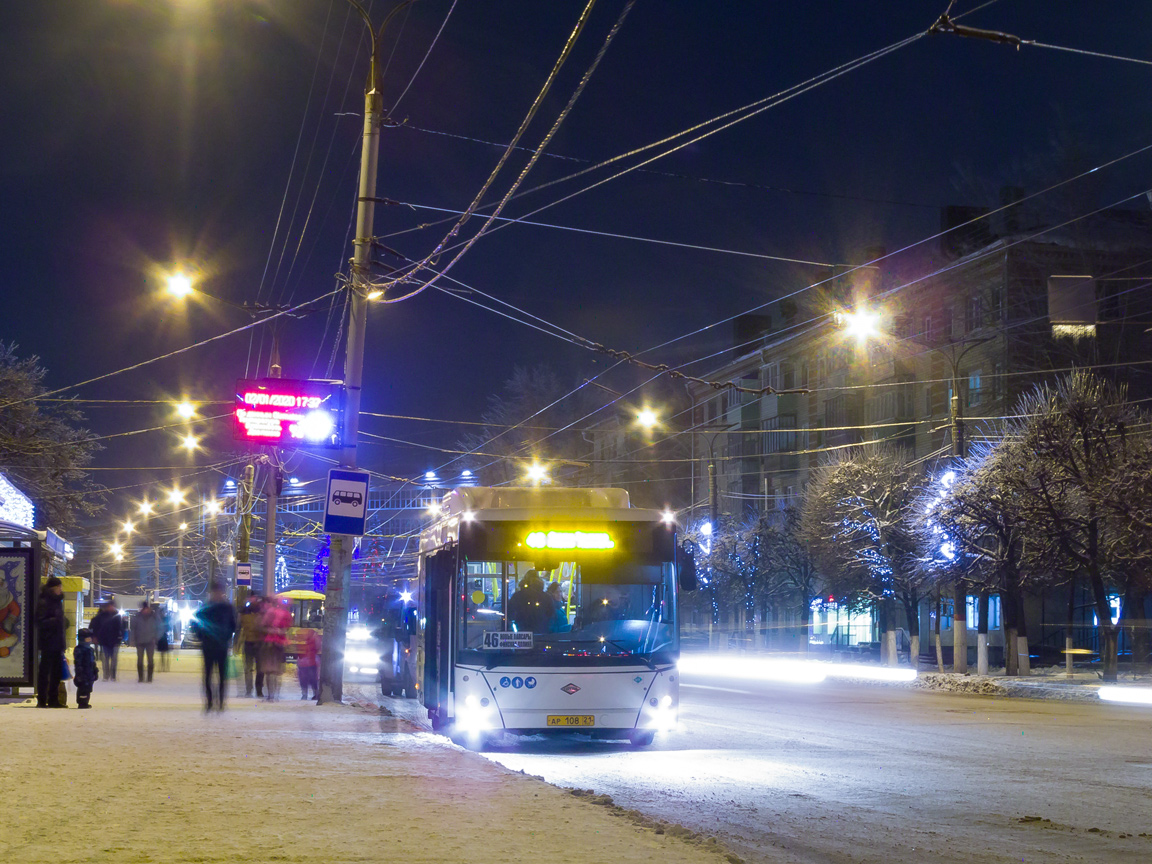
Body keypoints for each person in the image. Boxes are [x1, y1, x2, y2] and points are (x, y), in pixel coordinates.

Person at [190, 581, 238, 711]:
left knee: (221, 676)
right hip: (209, 646)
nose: (217, 594)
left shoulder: (226, 608)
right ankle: (210, 702)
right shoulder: (207, 607)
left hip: (220, 646)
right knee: (208, 676)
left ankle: (220, 702)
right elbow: (195, 624)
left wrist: (226, 637)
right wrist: (202, 637)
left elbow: (234, 625)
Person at [35, 576, 67, 708]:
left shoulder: (57, 601)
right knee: (45, 671)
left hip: (57, 641)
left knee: (56, 672)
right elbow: (39, 621)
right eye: (59, 587)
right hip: (48, 642)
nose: (61, 589)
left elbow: (59, 619)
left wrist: (64, 622)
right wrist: (54, 621)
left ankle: (53, 700)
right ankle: (42, 699)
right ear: (53, 588)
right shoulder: (44, 601)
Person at [260, 597, 291, 701]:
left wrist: (271, 630)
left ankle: (271, 695)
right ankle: (276, 695)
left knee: (269, 670)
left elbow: (262, 626)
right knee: (277, 671)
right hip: (280, 644)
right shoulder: (287, 614)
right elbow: (288, 628)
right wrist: (281, 632)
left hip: (269, 643)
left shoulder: (270, 612)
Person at [507, 571, 555, 635]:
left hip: (521, 635)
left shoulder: (517, 596)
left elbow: (510, 614)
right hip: (542, 634)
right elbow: (551, 616)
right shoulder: (546, 597)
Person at [237, 595, 265, 697]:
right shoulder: (261, 615)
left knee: (251, 669)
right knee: (257, 668)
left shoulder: (244, 615)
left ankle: (251, 689)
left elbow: (239, 628)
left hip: (252, 643)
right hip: (255, 643)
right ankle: (256, 690)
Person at [90, 601, 123, 681]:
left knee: (114, 659)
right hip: (104, 640)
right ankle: (106, 675)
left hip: (115, 640)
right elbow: (95, 626)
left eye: (112, 606)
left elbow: (120, 628)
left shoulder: (117, 616)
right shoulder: (101, 616)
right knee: (105, 659)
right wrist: (95, 636)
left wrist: (120, 637)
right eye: (110, 606)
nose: (111, 608)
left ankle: (113, 675)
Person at [130, 600, 162, 682]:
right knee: (140, 660)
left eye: (147, 608)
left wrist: (156, 638)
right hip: (139, 641)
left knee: (150, 660)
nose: (145, 610)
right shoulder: (137, 617)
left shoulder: (154, 617)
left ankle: (149, 677)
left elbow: (159, 628)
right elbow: (133, 629)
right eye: (144, 608)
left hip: (150, 641)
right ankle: (140, 677)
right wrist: (133, 640)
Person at [72, 627, 98, 709]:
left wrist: (95, 670)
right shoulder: (80, 649)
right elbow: (78, 662)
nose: (89, 640)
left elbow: (92, 661)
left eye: (90, 639)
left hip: (89, 672)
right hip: (83, 672)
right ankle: (82, 702)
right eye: (87, 639)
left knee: (88, 688)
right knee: (83, 687)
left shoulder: (90, 650)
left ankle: (86, 701)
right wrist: (79, 672)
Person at [297, 627, 319, 700]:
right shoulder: (314, 637)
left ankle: (304, 694)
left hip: (302, 662)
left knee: (303, 679)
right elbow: (318, 647)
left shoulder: (300, 638)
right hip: (312, 662)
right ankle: (315, 694)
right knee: (313, 679)